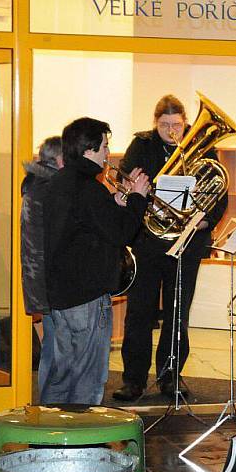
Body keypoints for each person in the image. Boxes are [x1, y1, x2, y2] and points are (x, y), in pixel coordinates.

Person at [113, 95, 228, 401]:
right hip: (147, 242)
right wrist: (135, 187)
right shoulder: (141, 146)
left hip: (185, 244)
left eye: (176, 124)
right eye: (164, 124)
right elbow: (126, 180)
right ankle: (133, 380)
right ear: (155, 123)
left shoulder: (204, 147)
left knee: (178, 312)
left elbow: (219, 194)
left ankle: (170, 377)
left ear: (185, 122)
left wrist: (205, 221)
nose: (171, 130)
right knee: (139, 313)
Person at [43, 117, 150, 404]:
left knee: (62, 373)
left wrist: (111, 202)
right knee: (88, 377)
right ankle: (82, 441)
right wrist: (138, 198)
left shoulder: (60, 182)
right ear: (89, 149)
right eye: (104, 145)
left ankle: (51, 436)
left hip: (62, 294)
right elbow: (121, 234)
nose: (107, 153)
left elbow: (84, 223)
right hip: (86, 296)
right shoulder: (89, 188)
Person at [20, 136, 62, 404]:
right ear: (60, 160)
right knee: (56, 349)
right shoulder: (50, 189)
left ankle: (49, 403)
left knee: (52, 346)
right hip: (51, 278)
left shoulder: (36, 184)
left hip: (42, 276)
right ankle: (51, 407)